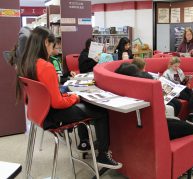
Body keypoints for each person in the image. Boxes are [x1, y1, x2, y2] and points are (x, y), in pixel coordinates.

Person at [16, 26, 122, 169]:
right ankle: (103, 155)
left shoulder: (25, 63)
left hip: (39, 114)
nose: (53, 50)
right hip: (53, 114)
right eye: (53, 46)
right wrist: (74, 98)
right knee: (101, 112)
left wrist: (67, 96)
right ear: (46, 43)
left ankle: (85, 142)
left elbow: (48, 95)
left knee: (85, 106)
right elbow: (58, 103)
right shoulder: (46, 67)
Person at [115, 62, 193, 176]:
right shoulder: (144, 83)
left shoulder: (125, 88)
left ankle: (188, 162)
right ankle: (192, 164)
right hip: (158, 127)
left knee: (178, 121)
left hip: (147, 126)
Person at [163, 57, 193, 126]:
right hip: (175, 91)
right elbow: (165, 86)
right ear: (170, 65)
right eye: (175, 66)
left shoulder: (179, 71)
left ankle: (191, 116)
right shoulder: (167, 73)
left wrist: (187, 79)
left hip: (181, 88)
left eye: (178, 66)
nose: (177, 68)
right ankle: (191, 117)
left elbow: (182, 82)